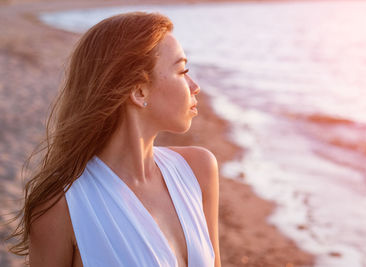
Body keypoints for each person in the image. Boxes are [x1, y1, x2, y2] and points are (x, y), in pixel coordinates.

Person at [8, 12, 220, 267]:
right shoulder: (61, 207)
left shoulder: (198, 169)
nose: (195, 86)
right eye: (182, 70)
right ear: (139, 91)